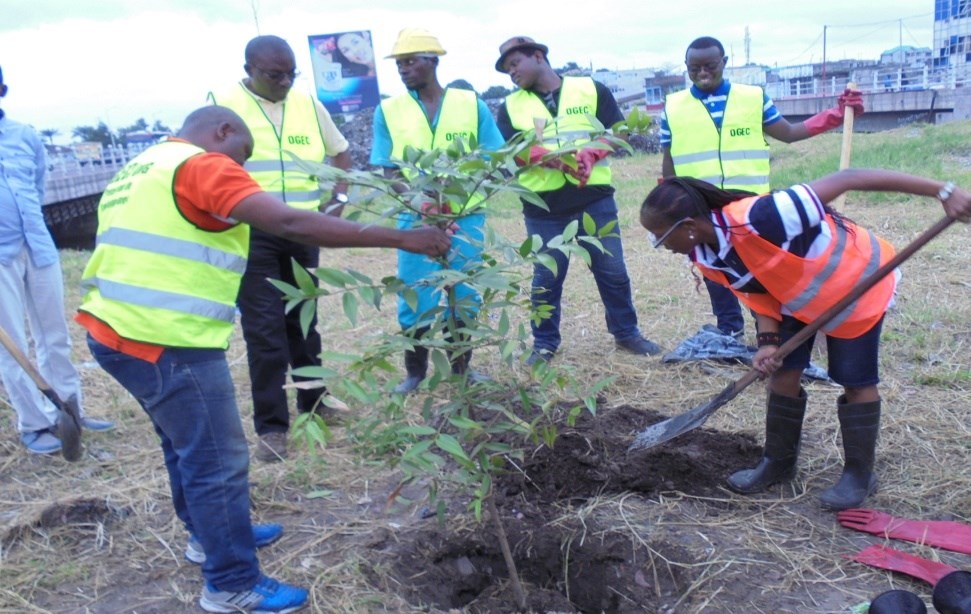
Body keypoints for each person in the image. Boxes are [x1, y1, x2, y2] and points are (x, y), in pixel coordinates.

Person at [76, 105, 451, 612]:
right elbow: (292, 221)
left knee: (183, 445)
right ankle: (231, 583)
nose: (243, 168)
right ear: (223, 131)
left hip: (115, 331)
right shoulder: (203, 165)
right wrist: (405, 237)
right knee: (218, 461)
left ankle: (210, 537)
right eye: (243, 154)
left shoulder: (142, 166)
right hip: (166, 340)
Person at [640, 168, 971, 510]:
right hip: (796, 295)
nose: (662, 246)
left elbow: (851, 177)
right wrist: (768, 341)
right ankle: (778, 463)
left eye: (661, 237)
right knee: (783, 374)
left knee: (854, 380)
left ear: (689, 227)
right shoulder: (707, 256)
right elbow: (758, 293)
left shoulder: (762, 217)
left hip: (857, 285)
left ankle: (859, 474)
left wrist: (944, 190)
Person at [661, 36, 864, 341]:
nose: (702, 72)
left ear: (724, 63)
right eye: (694, 67)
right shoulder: (672, 106)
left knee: (762, 271)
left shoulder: (753, 98)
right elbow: (669, 159)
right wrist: (669, 199)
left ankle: (771, 333)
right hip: (701, 206)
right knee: (715, 269)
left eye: (710, 66)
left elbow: (791, 133)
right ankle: (729, 330)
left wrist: (835, 115)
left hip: (750, 208)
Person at [208, 35, 353, 462]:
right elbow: (202, 163)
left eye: (291, 73)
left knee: (304, 324)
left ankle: (315, 404)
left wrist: (340, 198)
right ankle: (272, 428)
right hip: (251, 232)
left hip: (304, 231)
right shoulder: (223, 104)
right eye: (275, 74)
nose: (285, 81)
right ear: (249, 69)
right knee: (265, 331)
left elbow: (341, 154)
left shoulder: (308, 103)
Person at [494, 36, 662, 365]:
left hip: (594, 200)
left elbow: (621, 130)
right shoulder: (510, 106)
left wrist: (592, 151)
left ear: (538, 56)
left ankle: (626, 334)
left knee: (612, 271)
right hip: (543, 208)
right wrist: (552, 158)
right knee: (546, 279)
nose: (511, 73)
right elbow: (508, 153)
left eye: (515, 64)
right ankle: (544, 344)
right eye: (506, 69)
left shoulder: (591, 89)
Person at [370, 28, 506, 393]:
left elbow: (496, 156)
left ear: (433, 61)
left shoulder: (470, 104)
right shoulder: (388, 111)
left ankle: (462, 370)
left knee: (464, 296)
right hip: (415, 220)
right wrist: (422, 203)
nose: (403, 70)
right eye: (399, 64)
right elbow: (389, 170)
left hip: (466, 218)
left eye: (410, 62)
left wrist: (464, 187)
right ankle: (415, 372)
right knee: (415, 295)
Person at [0, 64, 113, 455]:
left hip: (38, 245)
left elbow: (37, 184)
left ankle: (69, 415)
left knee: (55, 336)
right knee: (11, 345)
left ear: (3, 89)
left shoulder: (24, 136)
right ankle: (35, 424)